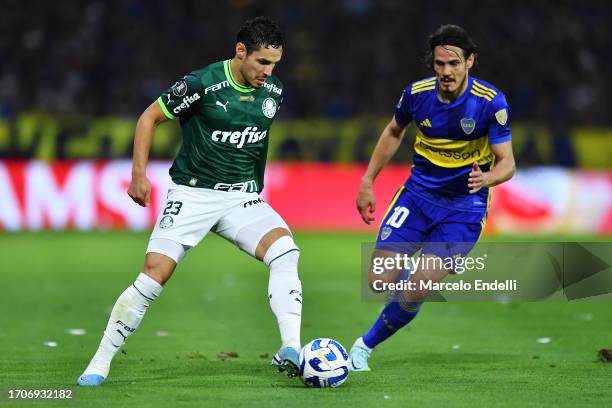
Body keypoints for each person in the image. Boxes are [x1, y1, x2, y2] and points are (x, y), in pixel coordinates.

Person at [77, 17, 303, 386]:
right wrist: (139, 174)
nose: (269, 71)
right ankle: (99, 362)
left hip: (242, 198)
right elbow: (149, 117)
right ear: (240, 51)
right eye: (262, 62)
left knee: (286, 253)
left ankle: (291, 347)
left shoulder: (274, 91)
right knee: (154, 276)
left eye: (275, 63)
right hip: (193, 194)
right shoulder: (201, 84)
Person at [349, 24, 516, 371]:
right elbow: (394, 131)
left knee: (416, 289)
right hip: (417, 198)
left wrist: (489, 177)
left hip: (463, 208)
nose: (445, 72)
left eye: (453, 63)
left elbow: (508, 164)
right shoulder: (416, 94)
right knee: (378, 280)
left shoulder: (490, 103)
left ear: (470, 61)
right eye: (439, 64)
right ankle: (412, 269)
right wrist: (367, 181)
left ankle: (364, 346)